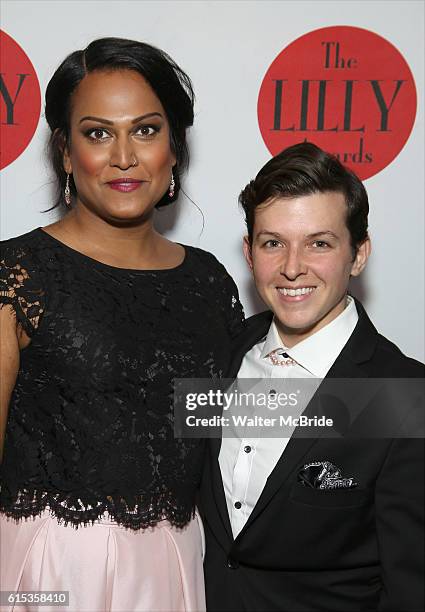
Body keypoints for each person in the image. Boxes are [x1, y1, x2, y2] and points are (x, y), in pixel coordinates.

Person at [0, 37, 244, 612]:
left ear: (175, 148)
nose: (124, 157)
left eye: (146, 130)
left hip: (182, 561)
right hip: (51, 571)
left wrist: (396, 406)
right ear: (64, 152)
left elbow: (226, 429)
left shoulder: (209, 282)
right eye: (98, 133)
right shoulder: (17, 274)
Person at [200, 142, 424, 611]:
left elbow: (410, 587)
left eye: (319, 243)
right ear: (249, 252)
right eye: (273, 243)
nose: (292, 267)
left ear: (358, 254)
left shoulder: (404, 396)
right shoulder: (217, 355)